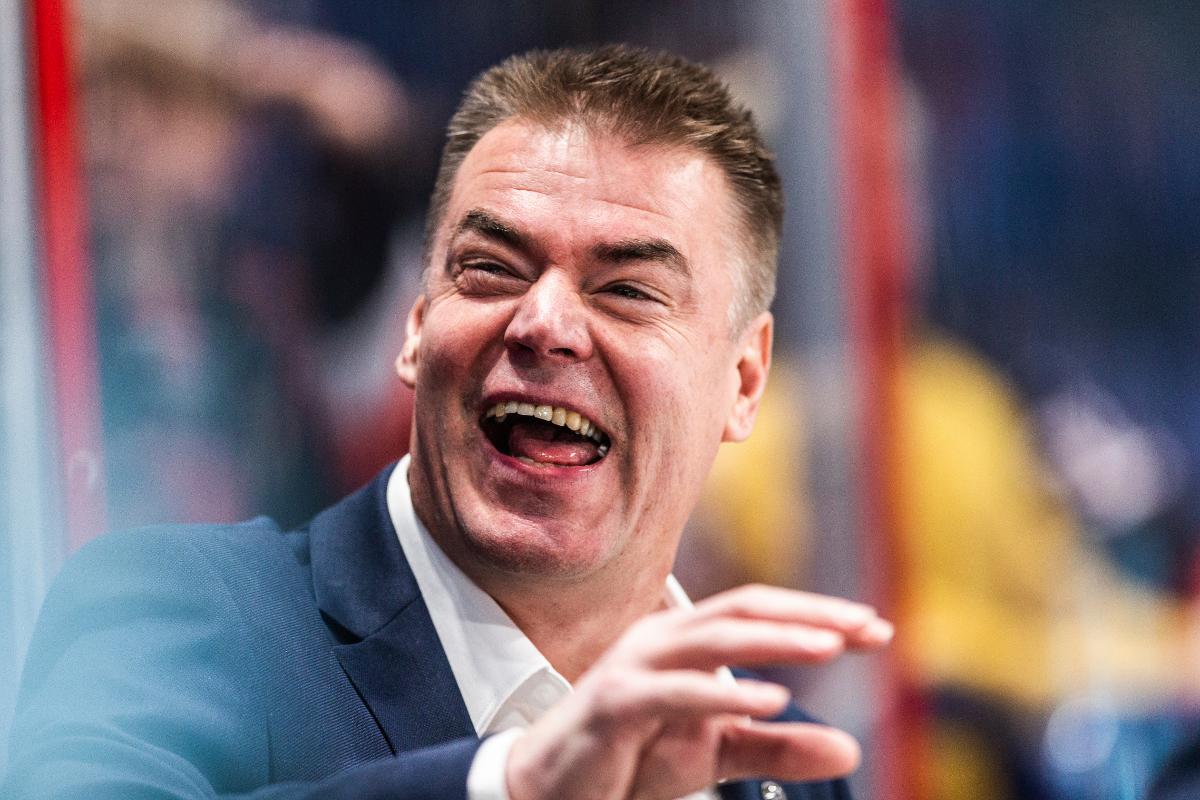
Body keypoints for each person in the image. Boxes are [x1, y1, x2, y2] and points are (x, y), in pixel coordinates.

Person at [3, 45, 893, 799]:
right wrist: (516, 782)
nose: (544, 321)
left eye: (627, 289)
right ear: (416, 329)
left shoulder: (780, 763)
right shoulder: (183, 615)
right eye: (491, 267)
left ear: (743, 381)